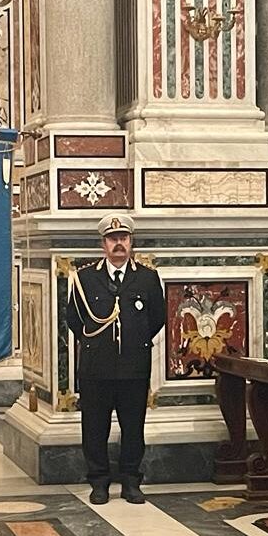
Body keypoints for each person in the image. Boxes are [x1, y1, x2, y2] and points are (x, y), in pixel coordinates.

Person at [66, 213, 166, 505]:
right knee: (94, 428)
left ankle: (131, 481)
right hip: (96, 367)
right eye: (113, 239)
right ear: (103, 244)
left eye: (124, 238)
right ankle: (98, 481)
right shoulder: (85, 278)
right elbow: (74, 319)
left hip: (134, 367)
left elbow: (156, 318)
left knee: (133, 427)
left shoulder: (147, 278)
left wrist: (135, 340)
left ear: (131, 242)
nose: (118, 244)